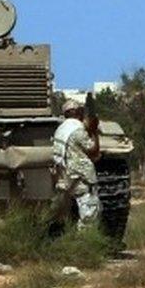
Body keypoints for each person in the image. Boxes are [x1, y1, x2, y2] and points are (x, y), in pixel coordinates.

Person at [50, 97, 101, 233]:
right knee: (89, 210)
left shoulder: (60, 129)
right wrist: (94, 131)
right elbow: (93, 150)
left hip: (64, 174)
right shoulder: (77, 129)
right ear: (78, 112)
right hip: (81, 175)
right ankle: (85, 242)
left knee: (63, 210)